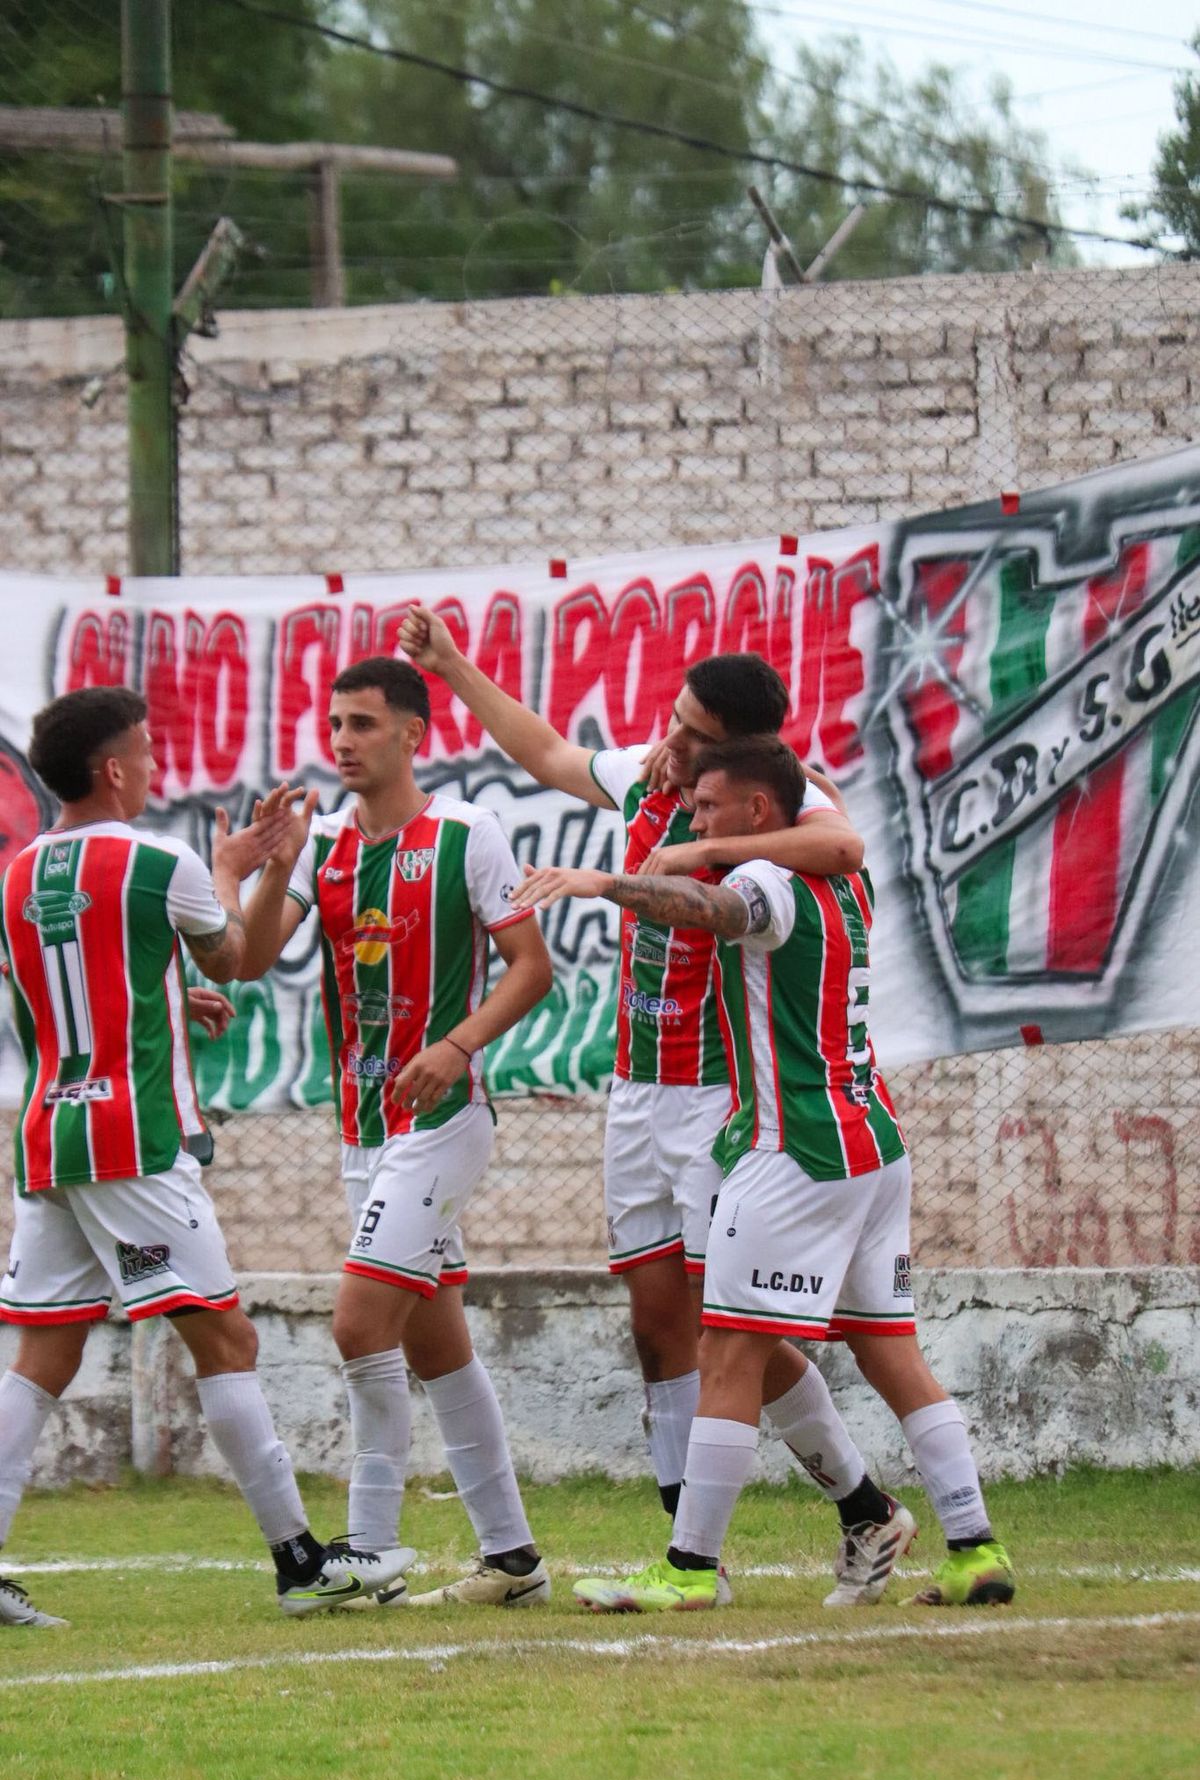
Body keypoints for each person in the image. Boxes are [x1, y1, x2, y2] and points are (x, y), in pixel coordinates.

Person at [400, 611, 917, 1607]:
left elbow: (843, 841)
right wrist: (451, 665)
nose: (669, 742)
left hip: (725, 1094)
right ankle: (782, 1533)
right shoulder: (650, 776)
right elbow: (545, 748)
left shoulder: (765, 809)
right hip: (637, 1089)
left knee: (738, 1329)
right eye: (672, 722)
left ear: (738, 752)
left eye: (690, 733)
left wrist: (683, 862)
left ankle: (785, 1530)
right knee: (656, 1322)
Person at [512, 737, 1016, 1613]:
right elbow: (829, 827)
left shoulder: (770, 885)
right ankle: (976, 1546)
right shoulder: (840, 870)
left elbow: (710, 909)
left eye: (708, 807)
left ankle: (690, 1567)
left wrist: (606, 883)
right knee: (894, 1354)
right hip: (876, 1145)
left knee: (731, 1350)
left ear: (756, 812)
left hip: (795, 1154)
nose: (693, 819)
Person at [0, 686, 411, 1625]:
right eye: (144, 752)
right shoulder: (159, 859)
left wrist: (161, 999)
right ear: (113, 770)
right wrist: (244, 866)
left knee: (42, 1357)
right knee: (226, 1338)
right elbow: (232, 954)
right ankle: (303, 1562)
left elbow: (54, 979)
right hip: (134, 1145)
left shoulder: (16, 874)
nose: (153, 766)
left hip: (49, 1139)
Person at [239, 656, 554, 1609]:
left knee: (357, 1320)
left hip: (443, 1124)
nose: (342, 740)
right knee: (433, 1343)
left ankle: (368, 1544)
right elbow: (251, 958)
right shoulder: (327, 846)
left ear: (415, 733)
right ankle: (513, 1559)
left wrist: (458, 1046)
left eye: (364, 723)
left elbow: (531, 967)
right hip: (362, 1134)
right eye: (334, 723)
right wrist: (276, 865)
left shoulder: (468, 833)